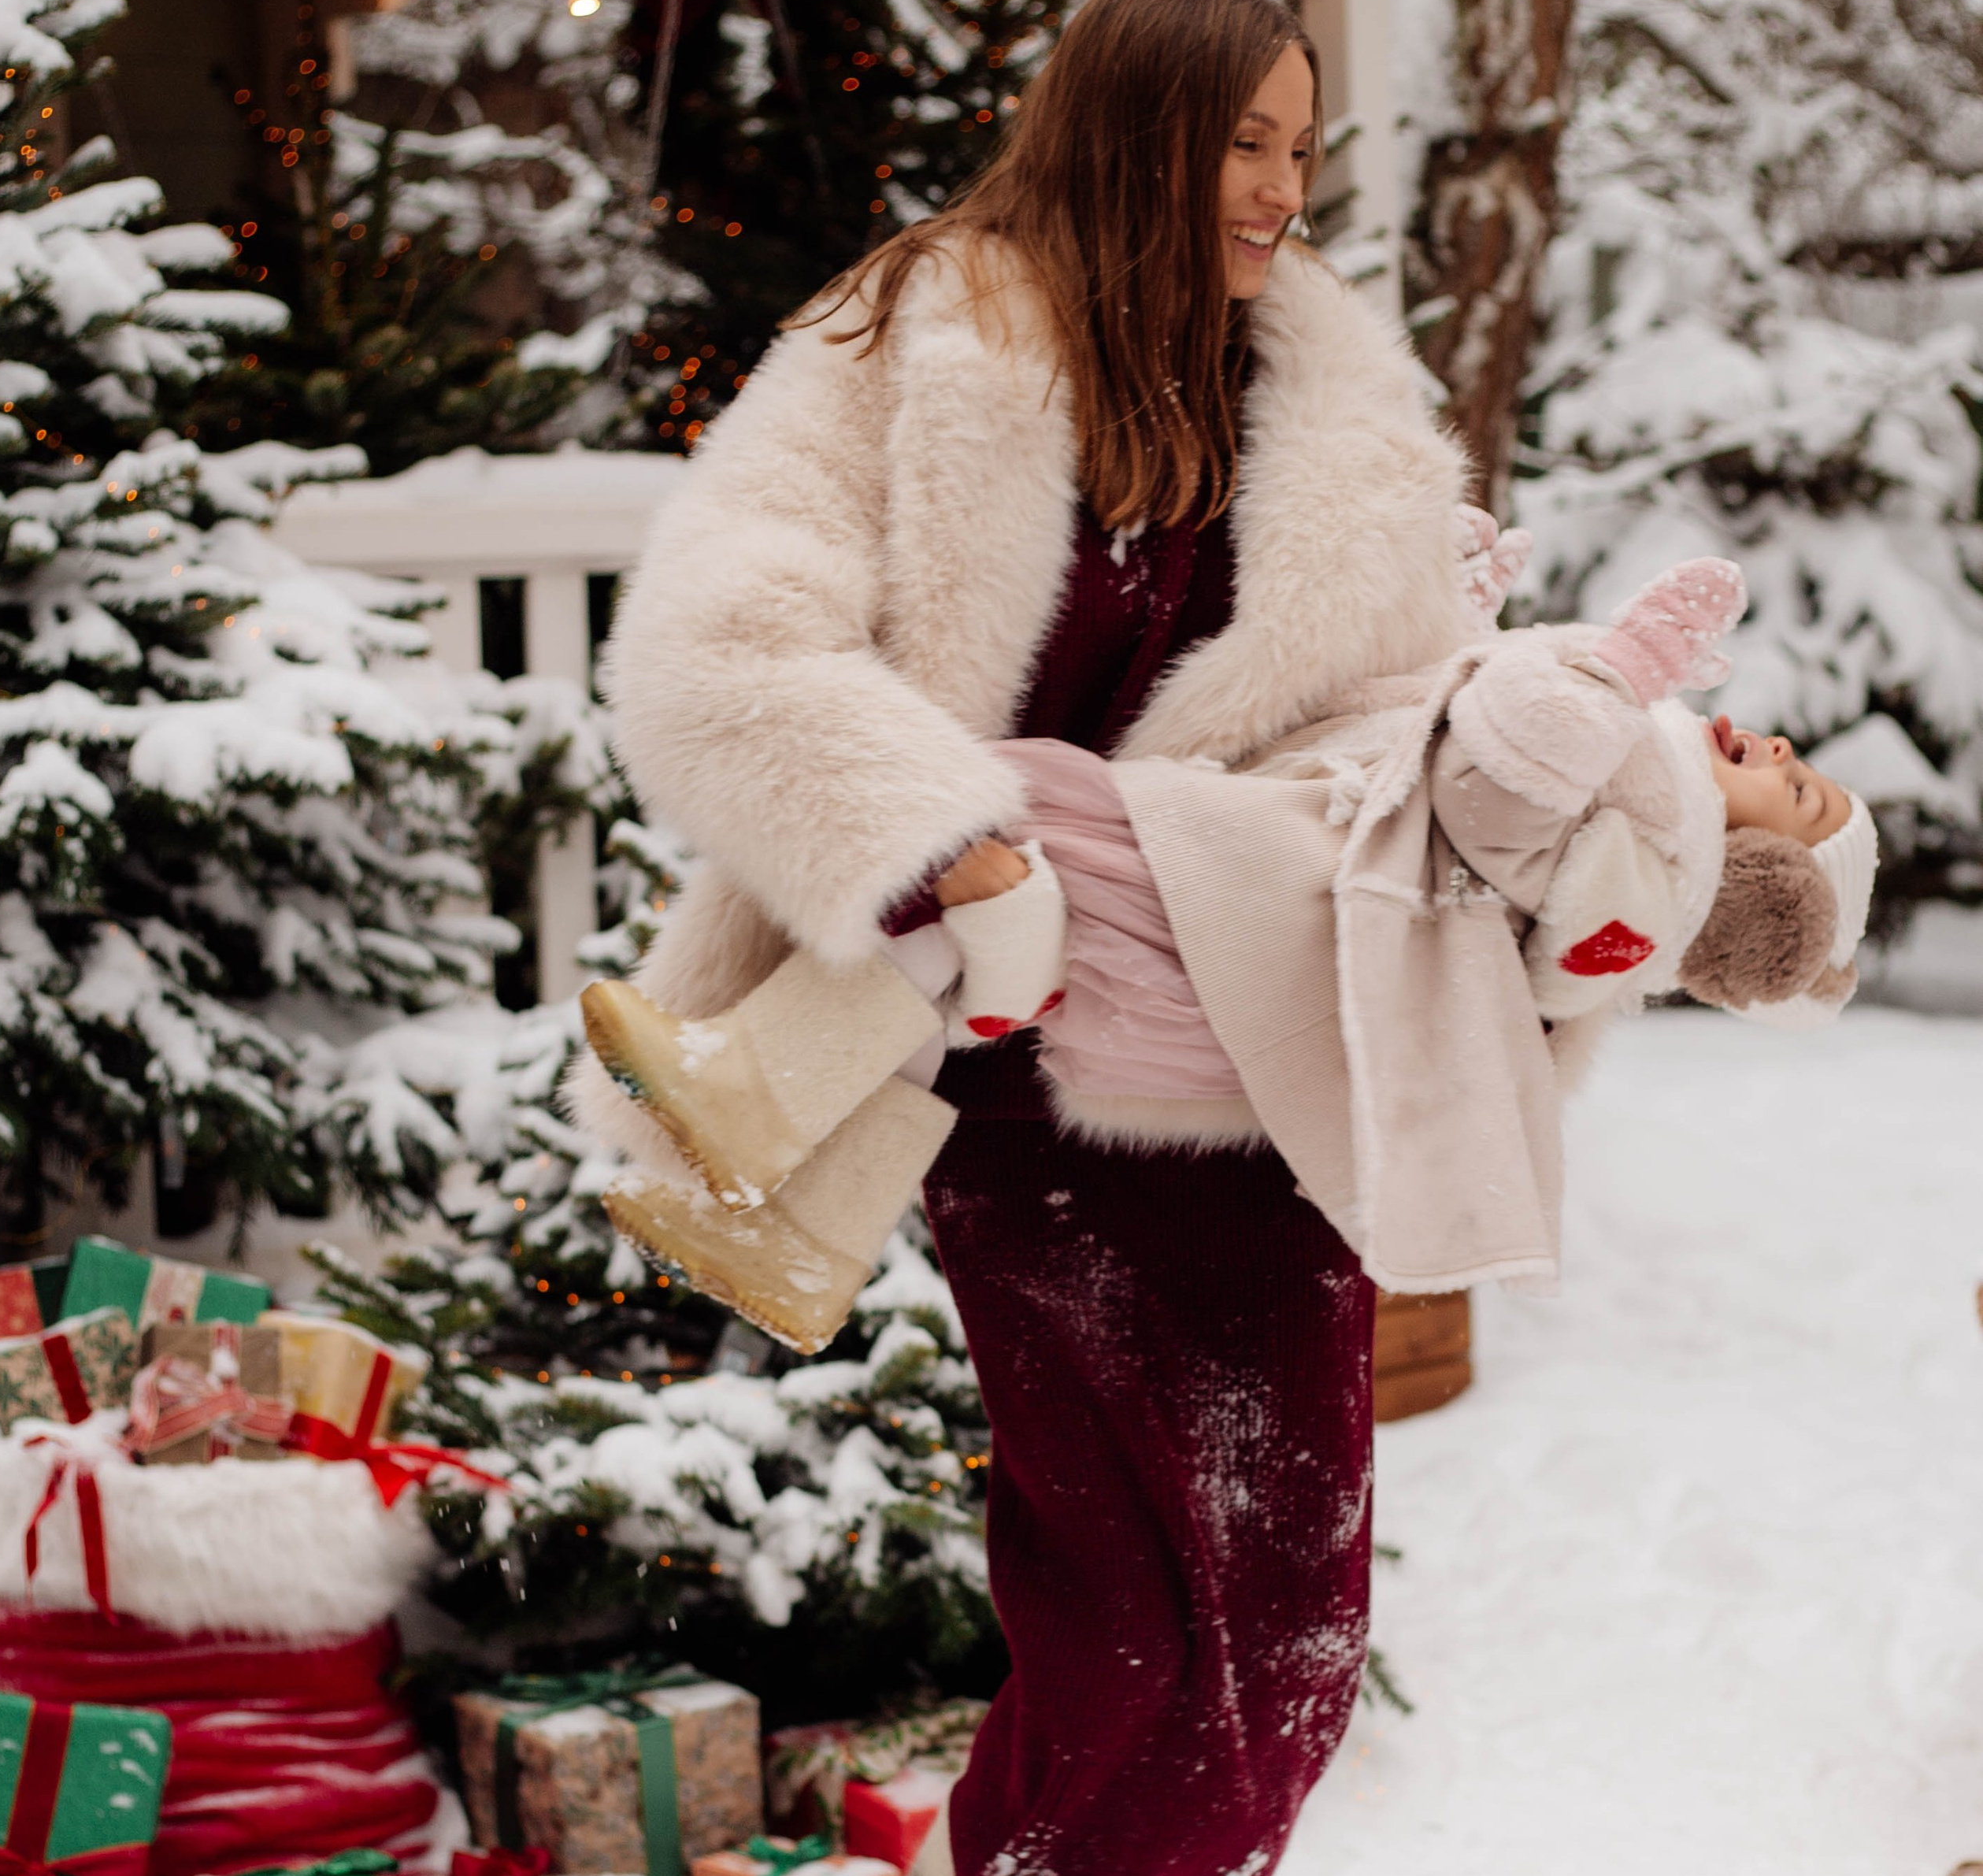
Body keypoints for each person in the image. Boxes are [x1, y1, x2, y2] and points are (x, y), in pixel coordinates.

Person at [573, 0, 1581, 1876]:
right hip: (1012, 1080)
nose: (1279, 198)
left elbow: (1430, 746)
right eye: (1244, 148)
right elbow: (722, 646)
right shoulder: (908, 341)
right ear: (1129, 126)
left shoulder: (1330, 405)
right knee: (1125, 1619)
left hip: (1275, 1074)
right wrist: (945, 838)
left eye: (1303, 156)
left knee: (1300, 1633)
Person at [579, 556, 1877, 1350]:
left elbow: (1495, 792)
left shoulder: (1656, 854)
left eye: (1800, 793)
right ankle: (805, 1220)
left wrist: (1612, 671)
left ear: (1761, 888)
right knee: (993, 906)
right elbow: (1425, 733)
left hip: (1258, 922)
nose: (1774, 752)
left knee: (1007, 803)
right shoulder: (1646, 816)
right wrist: (1463, 618)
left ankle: (784, 1089)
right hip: (1253, 919)